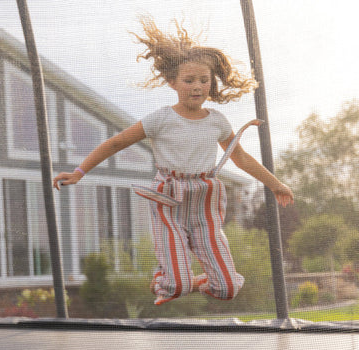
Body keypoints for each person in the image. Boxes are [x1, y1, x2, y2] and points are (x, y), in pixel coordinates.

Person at [53, 17, 294, 305]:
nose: (197, 87)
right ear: (172, 82)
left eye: (204, 80)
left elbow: (241, 158)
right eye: (189, 80)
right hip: (169, 197)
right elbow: (115, 143)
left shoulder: (217, 121)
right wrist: (80, 172)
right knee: (174, 286)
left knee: (228, 288)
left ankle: (188, 279)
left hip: (205, 198)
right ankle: (168, 279)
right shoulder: (161, 119)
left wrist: (276, 184)